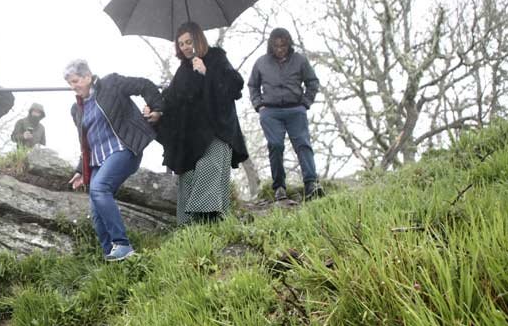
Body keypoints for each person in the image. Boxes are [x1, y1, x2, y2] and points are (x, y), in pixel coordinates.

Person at [144, 22, 248, 224]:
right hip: (191, 137)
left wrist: (206, 73)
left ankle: (209, 219)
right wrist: (156, 111)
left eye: (188, 41)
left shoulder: (216, 57)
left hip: (217, 129)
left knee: (210, 166)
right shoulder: (182, 71)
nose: (185, 47)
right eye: (181, 43)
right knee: (189, 175)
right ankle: (189, 228)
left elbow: (235, 85)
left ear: (198, 40)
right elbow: (171, 99)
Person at [64, 59, 161, 261]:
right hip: (99, 161)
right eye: (70, 83)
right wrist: (81, 170)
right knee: (95, 205)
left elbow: (145, 84)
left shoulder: (111, 84)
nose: (73, 87)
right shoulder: (77, 109)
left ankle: (123, 245)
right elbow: (85, 143)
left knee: (99, 188)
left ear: (88, 77)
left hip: (123, 149)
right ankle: (111, 254)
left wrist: (156, 108)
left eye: (75, 81)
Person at [248, 27, 324, 201]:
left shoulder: (300, 60)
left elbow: (312, 82)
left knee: (303, 145)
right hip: (271, 112)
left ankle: (311, 184)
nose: (280, 49)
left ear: (288, 44)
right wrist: (259, 105)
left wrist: (305, 103)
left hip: (296, 109)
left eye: (283, 45)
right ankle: (279, 187)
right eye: (276, 46)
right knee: (275, 146)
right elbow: (252, 85)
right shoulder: (261, 62)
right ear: (271, 46)